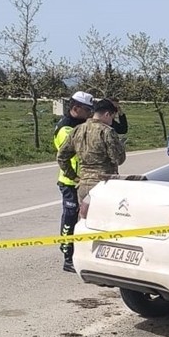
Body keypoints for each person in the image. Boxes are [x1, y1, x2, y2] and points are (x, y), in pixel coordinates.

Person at [53, 90, 95, 273]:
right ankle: (67, 255)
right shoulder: (66, 128)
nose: (90, 114)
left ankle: (81, 253)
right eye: (87, 110)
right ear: (76, 108)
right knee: (70, 217)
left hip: (84, 180)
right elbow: (76, 151)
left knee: (84, 218)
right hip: (71, 181)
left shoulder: (82, 123)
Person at [56, 98, 126, 203]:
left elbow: (61, 157)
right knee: (103, 217)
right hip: (104, 184)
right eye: (112, 117)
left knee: (84, 217)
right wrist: (120, 146)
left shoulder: (77, 130)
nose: (112, 121)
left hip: (83, 184)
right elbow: (118, 159)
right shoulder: (107, 132)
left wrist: (74, 177)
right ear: (107, 114)